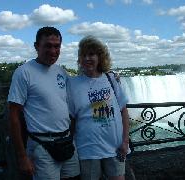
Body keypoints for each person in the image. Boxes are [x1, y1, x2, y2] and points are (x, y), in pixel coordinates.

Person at [8, 26, 80, 180]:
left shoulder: (61, 71)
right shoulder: (24, 72)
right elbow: (13, 116)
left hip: (67, 142)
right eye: (48, 45)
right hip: (42, 146)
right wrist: (22, 157)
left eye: (57, 46)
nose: (53, 51)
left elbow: (79, 89)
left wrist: (105, 75)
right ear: (36, 46)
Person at [67, 35, 130, 180]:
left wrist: (125, 141)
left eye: (91, 54)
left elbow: (123, 111)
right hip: (87, 149)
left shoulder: (111, 79)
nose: (87, 58)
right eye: (83, 55)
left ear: (100, 57)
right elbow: (72, 118)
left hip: (115, 147)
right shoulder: (72, 84)